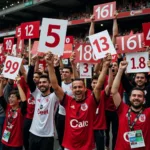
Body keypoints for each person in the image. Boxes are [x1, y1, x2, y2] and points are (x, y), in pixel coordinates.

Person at [46, 51, 111, 150]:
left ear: (85, 89)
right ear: (72, 89)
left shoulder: (91, 101)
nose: (77, 89)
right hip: (69, 146)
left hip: (87, 147)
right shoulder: (67, 101)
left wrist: (106, 65)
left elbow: (98, 86)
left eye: (80, 87)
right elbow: (55, 86)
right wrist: (50, 65)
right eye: (75, 87)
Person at [111, 61, 150, 150]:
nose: (136, 98)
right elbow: (114, 92)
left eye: (140, 96)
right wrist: (120, 70)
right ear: (129, 98)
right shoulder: (122, 109)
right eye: (134, 95)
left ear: (144, 100)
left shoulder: (148, 112)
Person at [0, 75, 27, 150]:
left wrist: (18, 84)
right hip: (5, 140)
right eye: (9, 97)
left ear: (18, 100)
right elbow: (1, 96)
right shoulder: (8, 108)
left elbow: (24, 101)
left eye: (12, 97)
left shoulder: (21, 111)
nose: (10, 99)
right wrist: (1, 82)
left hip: (16, 144)